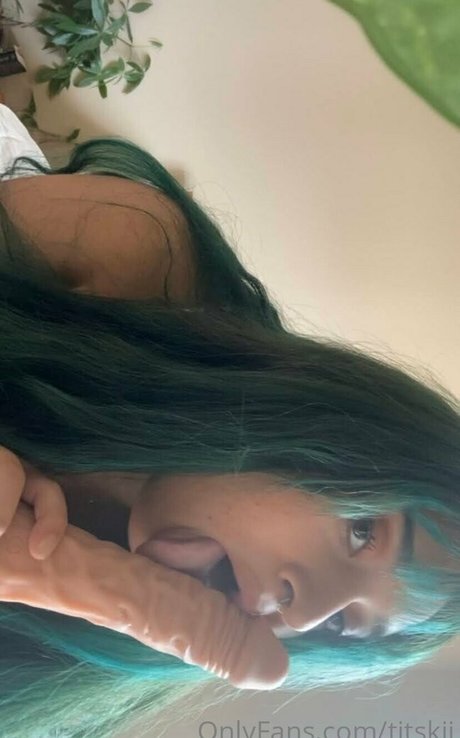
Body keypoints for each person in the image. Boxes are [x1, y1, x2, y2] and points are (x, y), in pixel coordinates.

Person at [0, 104, 458, 738]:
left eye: (340, 624)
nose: (301, 615)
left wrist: (67, 579)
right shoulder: (136, 256)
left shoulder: (61, 676)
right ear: (335, 423)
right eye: (362, 532)